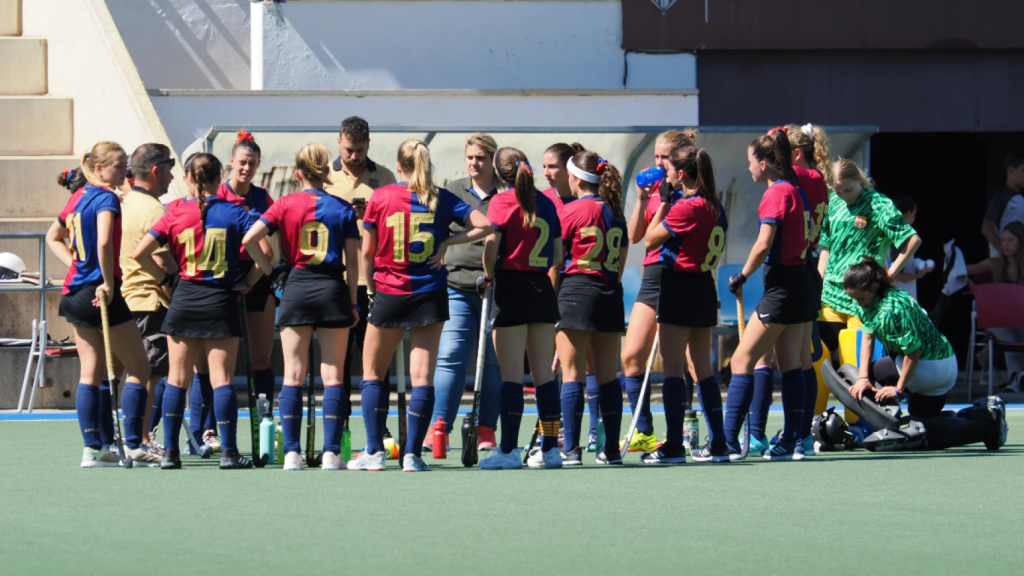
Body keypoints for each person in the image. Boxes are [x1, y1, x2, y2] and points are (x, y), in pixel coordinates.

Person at [347, 139, 493, 472]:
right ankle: (412, 454)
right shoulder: (442, 197)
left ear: (399, 166)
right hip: (429, 293)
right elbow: (485, 225)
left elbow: (367, 253)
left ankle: (374, 451)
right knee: (423, 377)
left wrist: (370, 289)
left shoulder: (381, 197)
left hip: (389, 292)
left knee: (372, 373)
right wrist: (446, 242)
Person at [133, 153, 267, 470]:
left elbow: (141, 254)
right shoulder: (236, 212)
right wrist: (249, 281)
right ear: (219, 179)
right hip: (221, 301)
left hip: (184, 300)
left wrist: (168, 278)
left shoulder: (175, 212)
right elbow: (264, 252)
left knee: (177, 379)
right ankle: (229, 452)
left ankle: (169, 453)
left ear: (190, 179)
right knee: (221, 379)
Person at [243, 143, 360, 470]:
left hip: (296, 288)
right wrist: (352, 303)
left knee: (292, 373)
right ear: (326, 172)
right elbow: (353, 262)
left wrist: (270, 272)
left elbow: (249, 239)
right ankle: (330, 453)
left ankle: (292, 452)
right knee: (333, 374)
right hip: (332, 288)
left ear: (298, 174)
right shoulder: (342, 208)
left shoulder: (283, 204)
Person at [45, 141, 152, 468]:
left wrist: (76, 265)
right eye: (119, 165)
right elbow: (104, 240)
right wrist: (106, 280)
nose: (125, 171)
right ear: (100, 168)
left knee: (90, 373)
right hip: (100, 290)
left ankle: (94, 448)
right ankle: (134, 445)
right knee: (140, 368)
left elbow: (53, 237)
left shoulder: (77, 197)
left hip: (74, 293)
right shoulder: (106, 197)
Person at [723, 128, 818, 461]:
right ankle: (792, 442)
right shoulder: (796, 189)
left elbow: (764, 244)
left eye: (750, 161)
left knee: (741, 359)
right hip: (802, 282)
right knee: (791, 362)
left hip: (783, 285)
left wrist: (741, 276)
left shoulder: (776, 193)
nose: (748, 167)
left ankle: (728, 443)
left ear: (764, 164)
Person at [843, 258, 1005, 450]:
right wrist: (862, 377)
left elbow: (913, 353)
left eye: (861, 298)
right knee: (927, 419)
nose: (858, 304)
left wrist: (897, 389)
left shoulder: (890, 310)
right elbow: (868, 338)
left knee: (919, 429)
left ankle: (983, 430)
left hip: (926, 368)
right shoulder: (892, 294)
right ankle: (986, 417)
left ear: (874, 286)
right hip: (947, 363)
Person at [816, 159, 922, 429]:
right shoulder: (834, 202)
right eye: (837, 191)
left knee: (855, 368)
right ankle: (815, 423)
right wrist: (818, 282)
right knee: (820, 363)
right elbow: (825, 247)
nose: (843, 196)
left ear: (860, 182)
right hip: (828, 298)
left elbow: (912, 240)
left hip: (861, 303)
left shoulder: (880, 205)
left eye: (847, 190)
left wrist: (890, 272)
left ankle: (858, 424)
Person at [747, 124, 833, 457]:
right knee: (801, 360)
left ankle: (757, 435)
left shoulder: (790, 182)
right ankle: (802, 436)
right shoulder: (818, 180)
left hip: (787, 271)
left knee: (762, 358)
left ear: (792, 153)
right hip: (807, 271)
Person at [476, 148, 562, 470]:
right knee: (544, 376)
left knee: (511, 375)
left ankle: (509, 451)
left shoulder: (500, 202)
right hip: (541, 289)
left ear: (499, 174)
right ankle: (551, 451)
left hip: (510, 288)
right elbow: (557, 256)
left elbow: (490, 248)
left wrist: (489, 275)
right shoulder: (549, 203)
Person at [643, 146, 729, 463]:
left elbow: (650, 240)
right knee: (703, 368)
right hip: (704, 285)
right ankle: (718, 441)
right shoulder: (716, 206)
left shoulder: (685, 207)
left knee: (674, 369)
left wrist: (664, 203)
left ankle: (675, 446)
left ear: (682, 174)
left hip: (680, 285)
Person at [622, 129, 697, 454]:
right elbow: (636, 236)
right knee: (631, 357)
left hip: (679, 275)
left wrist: (666, 201)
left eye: (665, 157)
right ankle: (644, 430)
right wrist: (643, 197)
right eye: (656, 156)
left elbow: (661, 236)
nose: (659, 163)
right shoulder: (653, 192)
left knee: (686, 363)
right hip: (651, 276)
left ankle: (687, 427)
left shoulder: (689, 192)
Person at [427, 133, 502, 453]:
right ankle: (439, 427)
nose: (474, 163)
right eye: (470, 157)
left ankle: (486, 429)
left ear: (493, 160)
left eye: (481, 158)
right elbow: (437, 232)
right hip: (456, 286)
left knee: (494, 363)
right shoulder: (452, 192)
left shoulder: (508, 192)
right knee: (450, 358)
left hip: (497, 291)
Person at [323, 116, 398, 430]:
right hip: (336, 280)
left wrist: (370, 216)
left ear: (370, 145)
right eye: (349, 149)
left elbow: (397, 223)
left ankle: (377, 428)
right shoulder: (323, 176)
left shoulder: (385, 176)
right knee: (337, 363)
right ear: (338, 140)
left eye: (360, 150)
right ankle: (337, 428)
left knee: (376, 361)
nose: (354, 157)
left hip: (374, 281)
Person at [555, 151, 629, 465]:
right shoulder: (616, 213)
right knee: (607, 376)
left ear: (576, 178)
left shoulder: (570, 211)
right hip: (610, 294)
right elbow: (621, 265)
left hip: (576, 292)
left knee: (572, 375)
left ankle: (571, 449)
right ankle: (611, 449)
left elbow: (555, 264)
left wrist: (551, 303)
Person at [212, 130, 277, 437]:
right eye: (241, 162)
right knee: (217, 365)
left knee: (262, 357)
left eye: (252, 163)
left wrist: (252, 281)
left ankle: (262, 420)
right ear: (231, 161)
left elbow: (271, 249)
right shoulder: (218, 195)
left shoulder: (263, 198)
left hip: (256, 277)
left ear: (258, 164)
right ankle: (210, 430)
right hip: (222, 278)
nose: (246, 168)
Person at [118, 143, 178, 461]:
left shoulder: (125, 203)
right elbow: (163, 261)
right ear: (155, 171)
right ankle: (139, 439)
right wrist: (171, 285)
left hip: (125, 298)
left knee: (130, 373)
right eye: (168, 169)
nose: (171, 177)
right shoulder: (154, 210)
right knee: (149, 374)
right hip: (148, 300)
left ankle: (128, 439)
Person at [541, 141, 601, 452]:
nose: (547, 173)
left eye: (553, 167)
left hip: (578, 291)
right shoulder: (544, 201)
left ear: (571, 171)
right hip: (553, 290)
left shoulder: (584, 204)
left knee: (586, 365)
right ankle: (552, 430)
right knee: (550, 367)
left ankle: (592, 431)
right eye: (544, 167)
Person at [967, 221, 1024, 392]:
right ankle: (1018, 375)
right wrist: (974, 289)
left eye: (1010, 240)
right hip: (999, 320)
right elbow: (965, 270)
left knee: (1017, 332)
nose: (1005, 244)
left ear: (1021, 242)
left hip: (1021, 319)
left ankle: (1017, 376)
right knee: (1008, 333)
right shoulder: (995, 263)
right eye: (1003, 239)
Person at [887, 195, 934, 301]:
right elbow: (893, 274)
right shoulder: (897, 238)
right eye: (914, 214)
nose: (915, 218)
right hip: (899, 298)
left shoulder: (896, 235)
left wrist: (918, 265)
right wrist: (918, 276)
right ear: (908, 214)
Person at [981, 151, 1024, 258]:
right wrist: (1004, 251)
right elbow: (986, 227)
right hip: (1004, 262)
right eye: (1023, 171)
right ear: (1011, 170)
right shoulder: (1001, 196)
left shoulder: (1021, 197)